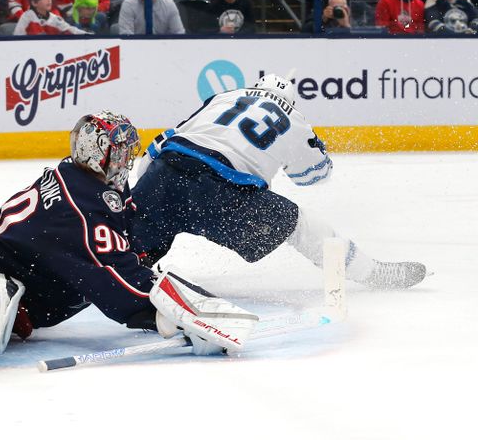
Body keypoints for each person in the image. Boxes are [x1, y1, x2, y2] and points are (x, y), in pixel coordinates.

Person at [0, 111, 258, 374]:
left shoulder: (79, 177)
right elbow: (111, 278)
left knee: (38, 305)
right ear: (96, 153)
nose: (125, 160)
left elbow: (117, 233)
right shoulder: (82, 209)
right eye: (119, 153)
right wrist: (165, 315)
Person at [130, 74, 427, 292]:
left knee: (128, 253)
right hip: (221, 193)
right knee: (299, 224)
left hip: (164, 174)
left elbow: (158, 144)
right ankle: (371, 272)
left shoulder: (224, 97)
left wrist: (138, 200)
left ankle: (127, 265)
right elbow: (313, 175)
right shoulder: (295, 120)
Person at [13, 0, 88, 35]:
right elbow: (17, 37)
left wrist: (88, 35)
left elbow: (71, 30)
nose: (49, 0)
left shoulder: (55, 18)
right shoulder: (26, 17)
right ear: (34, 3)